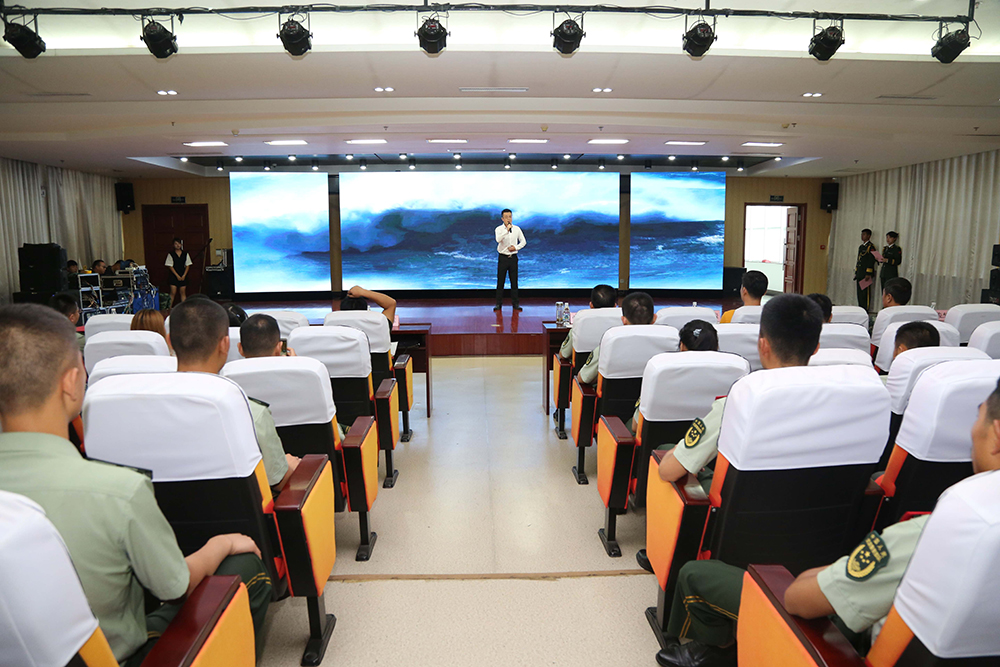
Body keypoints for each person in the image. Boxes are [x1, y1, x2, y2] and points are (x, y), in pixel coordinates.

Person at [651, 375, 1000, 667]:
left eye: (978, 416)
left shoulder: (946, 531)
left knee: (696, 574)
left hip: (835, 645)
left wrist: (820, 575)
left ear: (996, 433)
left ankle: (717, 650)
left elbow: (799, 600)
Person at [0, 304, 272, 665]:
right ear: (70, 382)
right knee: (245, 567)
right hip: (118, 657)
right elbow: (175, 587)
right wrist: (222, 543)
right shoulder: (118, 490)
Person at [657, 294, 822, 491]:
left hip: (746, 506)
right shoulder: (838, 403)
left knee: (666, 454)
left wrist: (679, 450)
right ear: (816, 348)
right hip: (819, 503)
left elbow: (668, 471)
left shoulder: (738, 403)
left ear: (763, 345)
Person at [168, 298, 300, 492]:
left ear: (169, 342)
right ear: (225, 344)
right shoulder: (249, 411)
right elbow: (277, 479)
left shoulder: (143, 410)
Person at [577, 291, 656, 385]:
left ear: (623, 320)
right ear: (654, 318)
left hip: (615, 394)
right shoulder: (669, 341)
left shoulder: (609, 344)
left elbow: (583, 378)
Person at [558, 284, 618, 360]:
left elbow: (563, 354)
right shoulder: (624, 325)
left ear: (591, 305)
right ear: (615, 305)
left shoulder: (580, 323)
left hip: (583, 366)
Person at [494, 208, 526, 312]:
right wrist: (506, 231)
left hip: (513, 258)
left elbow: (523, 242)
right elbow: (498, 239)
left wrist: (516, 247)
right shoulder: (499, 229)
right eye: (506, 217)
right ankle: (498, 304)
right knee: (500, 282)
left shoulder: (517, 229)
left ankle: (515, 304)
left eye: (510, 217)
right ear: (502, 219)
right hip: (503, 258)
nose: (509, 219)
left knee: (514, 282)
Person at [855, 229, 878, 311]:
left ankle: (866, 309)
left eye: (864, 234)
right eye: (862, 234)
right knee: (859, 293)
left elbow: (871, 260)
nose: (862, 236)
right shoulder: (861, 247)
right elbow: (859, 260)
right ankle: (860, 308)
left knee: (865, 293)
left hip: (866, 274)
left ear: (869, 236)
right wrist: (856, 271)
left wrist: (868, 273)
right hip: (860, 273)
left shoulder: (871, 247)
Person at [165, 238, 192, 305]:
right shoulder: (171, 254)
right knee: (173, 293)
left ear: (181, 245)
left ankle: (184, 307)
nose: (178, 245)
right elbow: (170, 266)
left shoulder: (185, 254)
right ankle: (169, 308)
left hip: (183, 274)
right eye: (176, 244)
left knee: (183, 293)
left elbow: (188, 265)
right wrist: (177, 276)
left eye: (179, 244)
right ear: (173, 245)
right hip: (174, 275)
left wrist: (184, 275)